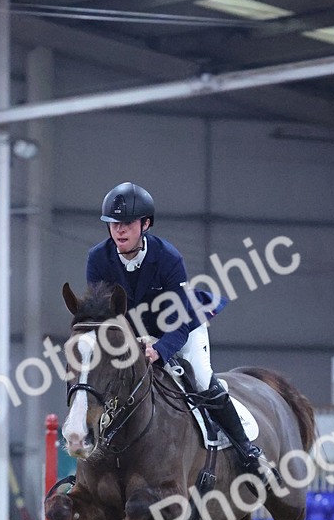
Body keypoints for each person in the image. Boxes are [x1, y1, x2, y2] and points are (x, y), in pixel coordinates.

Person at [86, 181, 262, 476]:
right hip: (132, 333)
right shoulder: (98, 258)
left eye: (127, 223)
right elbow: (104, 314)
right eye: (114, 223)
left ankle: (247, 451)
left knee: (203, 379)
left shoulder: (168, 257)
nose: (119, 230)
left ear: (145, 224)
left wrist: (160, 349)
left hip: (179, 328)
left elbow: (180, 319)